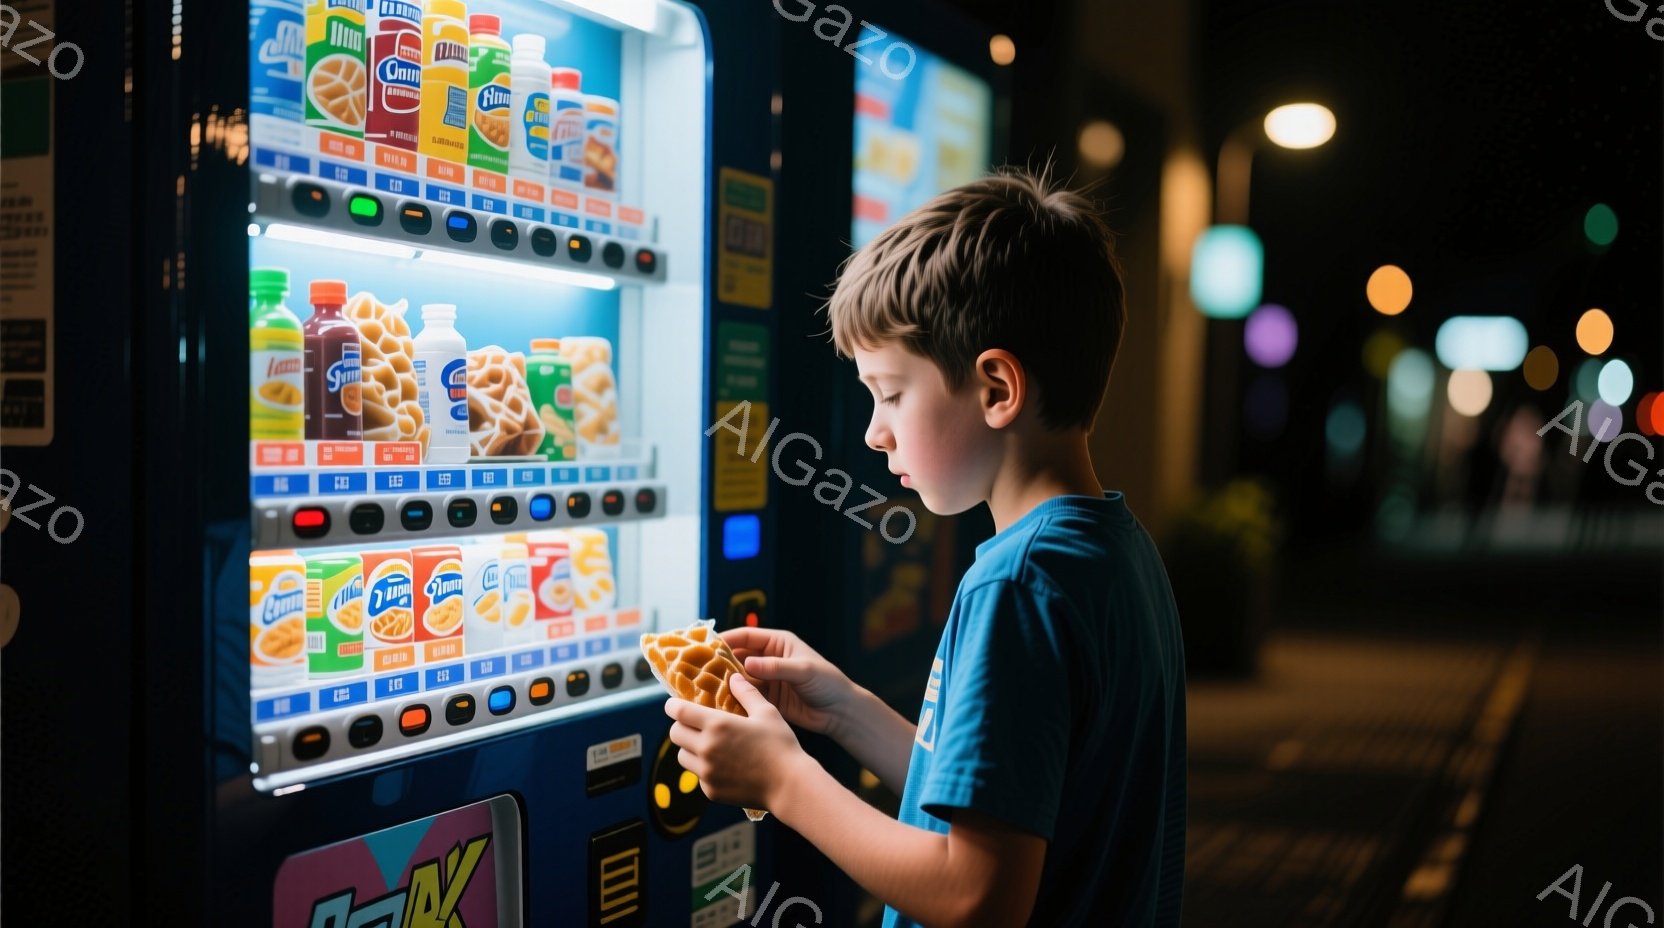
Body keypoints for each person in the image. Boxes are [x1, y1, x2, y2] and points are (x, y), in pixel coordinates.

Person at [666, 168, 1187, 927]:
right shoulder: (1116, 551)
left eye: (891, 393)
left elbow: (978, 895)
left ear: (997, 389)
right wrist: (847, 712)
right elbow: (1010, 804)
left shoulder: (1017, 585)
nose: (876, 431)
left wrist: (782, 781)